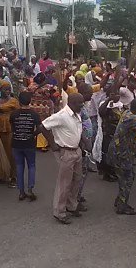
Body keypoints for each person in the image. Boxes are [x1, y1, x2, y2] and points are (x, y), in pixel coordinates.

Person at [41, 93, 86, 225]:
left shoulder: (77, 114)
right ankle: (59, 212)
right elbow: (43, 127)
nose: (82, 105)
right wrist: (53, 144)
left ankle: (71, 206)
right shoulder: (61, 116)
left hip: (76, 151)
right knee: (64, 183)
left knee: (77, 180)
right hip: (65, 152)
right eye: (80, 103)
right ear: (72, 103)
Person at [10, 92, 41, 201]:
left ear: (19, 101)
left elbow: (12, 128)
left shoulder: (14, 114)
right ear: (30, 100)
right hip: (29, 143)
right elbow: (40, 128)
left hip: (16, 143)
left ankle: (21, 192)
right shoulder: (34, 114)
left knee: (19, 166)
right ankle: (30, 189)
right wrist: (33, 135)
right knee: (31, 165)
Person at [0, 80, 19, 185]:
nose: (7, 91)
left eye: (8, 89)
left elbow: (17, 114)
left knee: (10, 152)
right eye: (5, 89)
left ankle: (12, 176)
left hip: (10, 128)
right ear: (0, 90)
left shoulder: (14, 101)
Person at [97, 89, 124, 182]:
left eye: (118, 94)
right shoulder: (104, 104)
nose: (118, 96)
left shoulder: (121, 105)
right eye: (115, 94)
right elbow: (101, 112)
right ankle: (107, 173)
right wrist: (109, 100)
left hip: (117, 133)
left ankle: (113, 171)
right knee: (107, 153)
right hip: (107, 133)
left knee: (115, 154)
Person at [28, 73, 57, 150]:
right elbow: (54, 93)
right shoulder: (47, 87)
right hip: (44, 109)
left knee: (34, 126)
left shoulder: (31, 86)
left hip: (33, 108)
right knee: (44, 125)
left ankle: (32, 141)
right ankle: (42, 145)